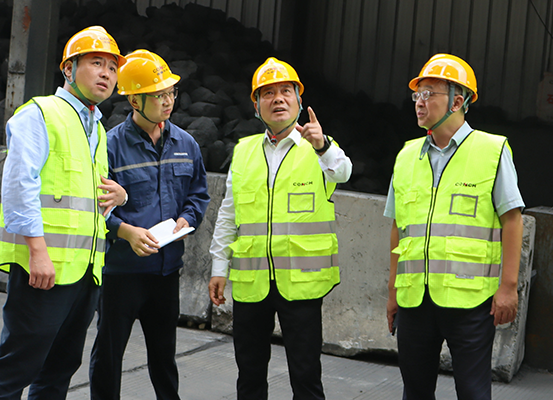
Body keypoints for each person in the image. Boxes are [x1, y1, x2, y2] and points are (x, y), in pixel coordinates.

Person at [0, 26, 127, 400]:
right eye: (96, 63)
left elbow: (80, 198)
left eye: (112, 68)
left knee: (59, 370)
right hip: (43, 269)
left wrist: (118, 196)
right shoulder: (40, 114)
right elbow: (20, 185)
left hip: (85, 271)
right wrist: (37, 251)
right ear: (68, 69)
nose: (106, 74)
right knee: (17, 367)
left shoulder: (97, 129)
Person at [208, 57, 352, 400]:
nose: (278, 99)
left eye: (286, 91)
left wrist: (322, 145)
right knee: (250, 374)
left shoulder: (319, 148)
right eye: (268, 93)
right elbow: (229, 213)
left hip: (301, 283)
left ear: (299, 101)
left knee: (305, 375)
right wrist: (218, 266)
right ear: (256, 105)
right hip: (252, 280)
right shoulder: (244, 151)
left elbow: (343, 172)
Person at [384, 53, 524, 400]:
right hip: (415, 300)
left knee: (473, 393)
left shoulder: (491, 151)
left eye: (429, 93)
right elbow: (399, 228)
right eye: (417, 94)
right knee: (415, 392)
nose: (419, 102)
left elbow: (512, 219)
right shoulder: (406, 156)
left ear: (457, 102)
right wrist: (393, 292)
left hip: (471, 303)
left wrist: (508, 287)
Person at [89, 50, 210, 400]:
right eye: (158, 95)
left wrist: (187, 218)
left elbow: (198, 194)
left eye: (170, 92)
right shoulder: (109, 146)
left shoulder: (186, 144)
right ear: (134, 100)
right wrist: (125, 232)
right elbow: (95, 206)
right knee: (109, 353)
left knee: (164, 356)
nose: (168, 101)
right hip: (121, 272)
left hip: (166, 271)